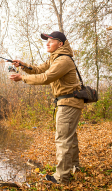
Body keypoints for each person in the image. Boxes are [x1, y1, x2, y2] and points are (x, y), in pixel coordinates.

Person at [9, 31, 84, 184]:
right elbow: (38, 69)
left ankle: (61, 177)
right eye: (47, 41)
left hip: (68, 103)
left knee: (63, 139)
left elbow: (46, 77)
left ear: (60, 44)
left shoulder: (63, 60)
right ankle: (74, 168)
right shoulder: (55, 58)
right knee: (70, 137)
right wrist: (23, 65)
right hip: (68, 102)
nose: (47, 43)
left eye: (51, 41)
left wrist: (22, 78)